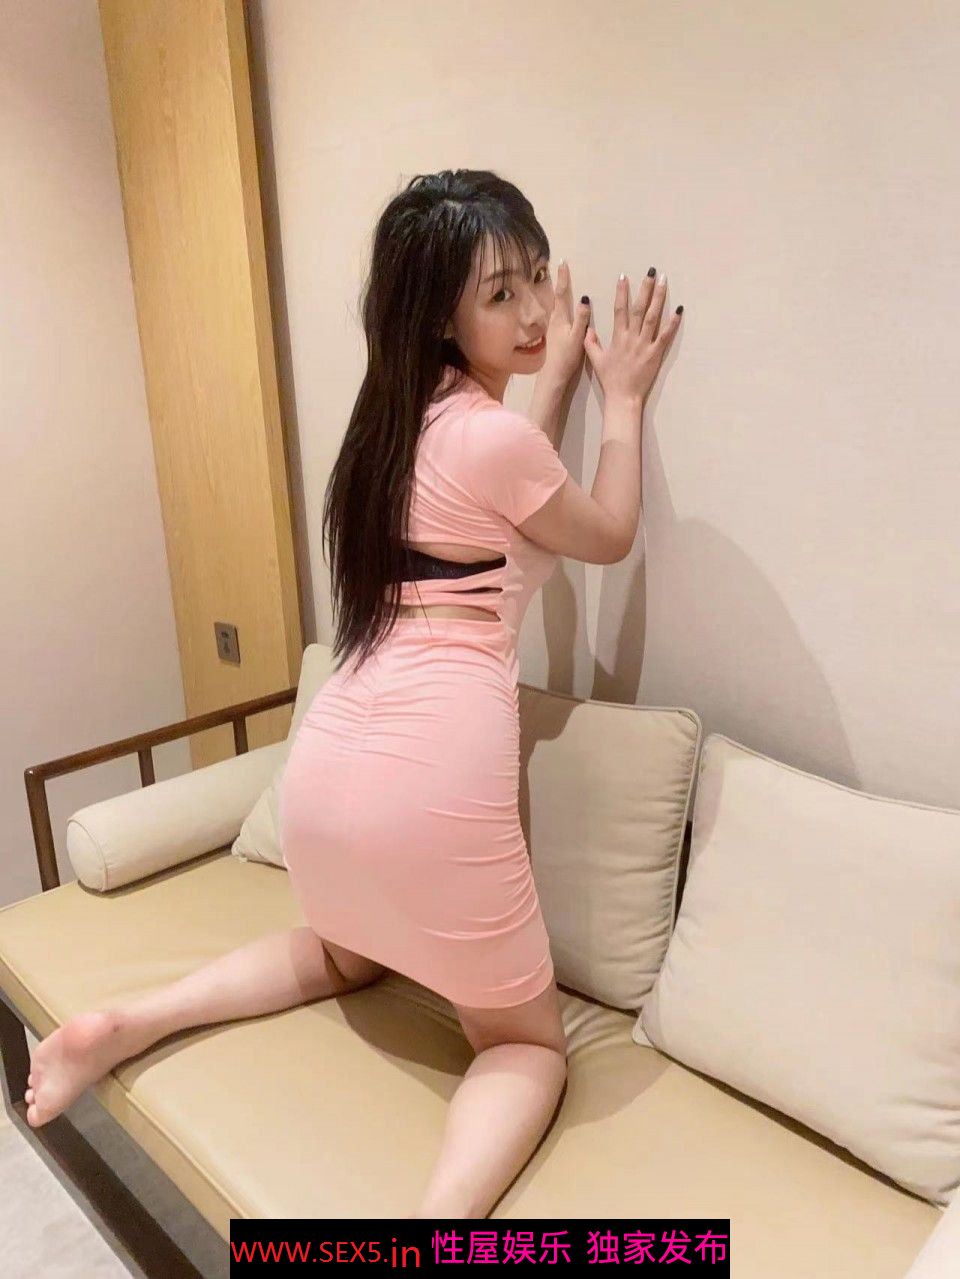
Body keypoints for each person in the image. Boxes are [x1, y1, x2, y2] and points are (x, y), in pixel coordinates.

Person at [23, 169, 682, 1218]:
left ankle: (128, 1021)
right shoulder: (492, 440)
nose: (532, 311)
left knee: (344, 954)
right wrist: (628, 402)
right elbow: (601, 530)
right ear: (441, 319)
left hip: (327, 770)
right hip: (432, 780)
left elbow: (515, 482)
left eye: (532, 278)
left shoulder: (389, 432)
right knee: (525, 1047)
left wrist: (554, 370)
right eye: (500, 294)